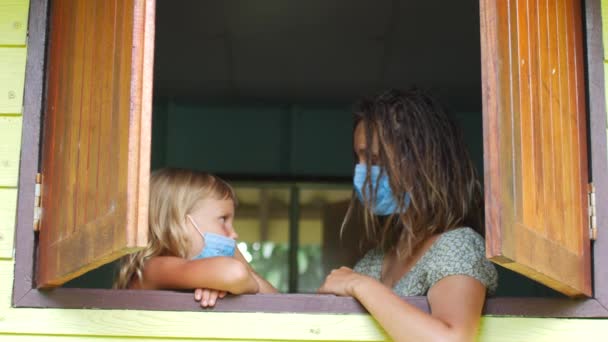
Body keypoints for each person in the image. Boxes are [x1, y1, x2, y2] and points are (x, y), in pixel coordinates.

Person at [318, 88, 497, 341]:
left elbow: (452, 339)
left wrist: (359, 285)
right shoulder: (376, 260)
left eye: (375, 158)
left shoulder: (458, 246)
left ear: (422, 162)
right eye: (358, 159)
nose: (362, 172)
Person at [115, 168, 277, 306]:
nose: (233, 234)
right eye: (223, 220)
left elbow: (277, 301)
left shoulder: (198, 274)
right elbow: (235, 274)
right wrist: (232, 268)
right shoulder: (151, 269)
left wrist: (222, 281)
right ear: (179, 224)